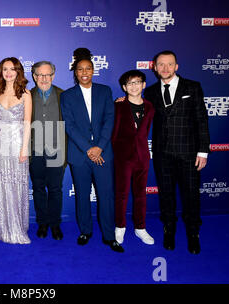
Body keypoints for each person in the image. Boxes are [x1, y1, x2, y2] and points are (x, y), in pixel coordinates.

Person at [144, 50, 210, 254]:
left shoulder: (193, 87)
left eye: (169, 64)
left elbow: (202, 120)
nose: (165, 68)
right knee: (166, 195)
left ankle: (193, 233)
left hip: (189, 153)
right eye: (160, 64)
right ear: (154, 67)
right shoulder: (151, 91)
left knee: (191, 195)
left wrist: (203, 151)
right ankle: (169, 230)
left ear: (176, 66)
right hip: (163, 154)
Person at [60, 48, 123, 253]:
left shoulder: (105, 91)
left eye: (88, 68)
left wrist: (99, 147)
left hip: (103, 153)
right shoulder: (67, 95)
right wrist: (88, 149)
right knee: (82, 195)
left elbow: (109, 120)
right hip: (80, 155)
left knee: (106, 195)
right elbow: (69, 125)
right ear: (75, 72)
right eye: (80, 69)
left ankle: (109, 236)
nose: (84, 72)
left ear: (93, 71)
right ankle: (85, 231)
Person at [0, 57, 32, 244]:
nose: (8, 72)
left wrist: (25, 149)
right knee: (1, 184)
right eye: (5, 69)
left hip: (17, 145)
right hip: (0, 145)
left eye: (12, 69)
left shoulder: (25, 94)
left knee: (16, 185)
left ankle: (16, 228)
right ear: (1, 72)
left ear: (18, 71)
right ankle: (3, 227)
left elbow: (27, 122)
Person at [111, 70, 155, 245]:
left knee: (140, 194)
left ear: (143, 85)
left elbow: (145, 131)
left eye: (137, 82)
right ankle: (120, 226)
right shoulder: (119, 106)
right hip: (123, 157)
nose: (134, 86)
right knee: (121, 194)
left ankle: (140, 228)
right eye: (130, 83)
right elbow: (113, 133)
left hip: (143, 155)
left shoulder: (150, 107)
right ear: (124, 87)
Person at [29, 61, 66, 240]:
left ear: (53, 75)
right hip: (35, 152)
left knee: (55, 189)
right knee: (38, 189)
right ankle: (42, 222)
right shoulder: (27, 95)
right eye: (40, 75)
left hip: (57, 150)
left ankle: (55, 224)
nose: (44, 78)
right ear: (34, 77)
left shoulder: (63, 96)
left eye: (47, 74)